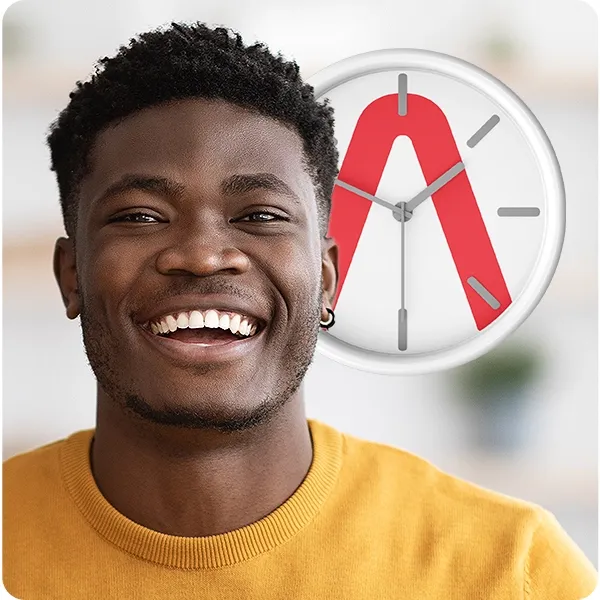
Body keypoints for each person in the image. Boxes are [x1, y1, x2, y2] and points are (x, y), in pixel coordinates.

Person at [3, 21, 597, 600]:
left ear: (326, 279)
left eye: (261, 215)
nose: (204, 256)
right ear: (71, 275)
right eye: (140, 215)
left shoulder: (512, 571)